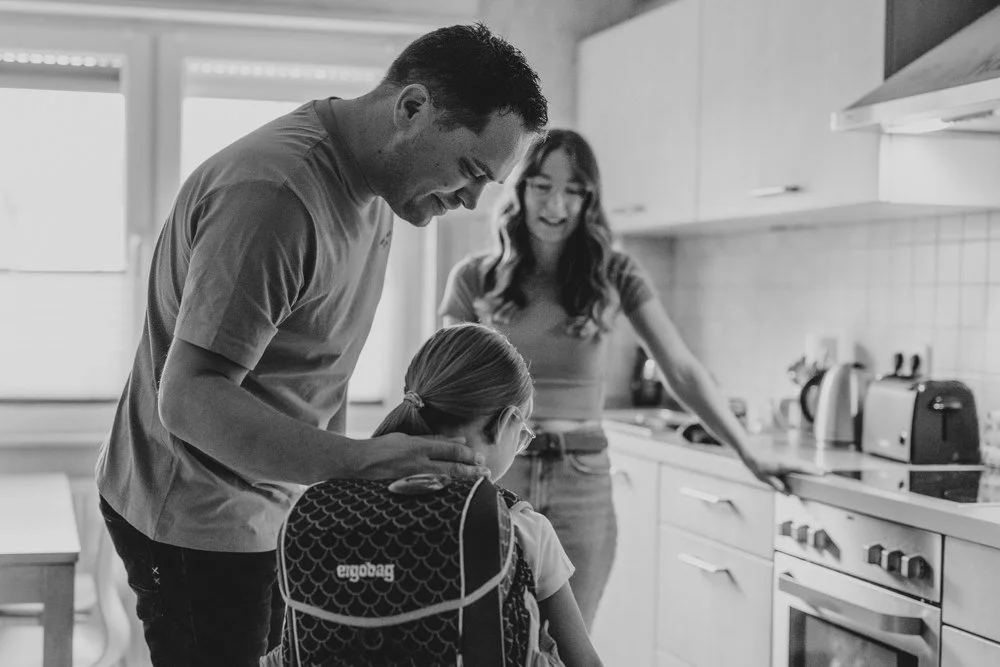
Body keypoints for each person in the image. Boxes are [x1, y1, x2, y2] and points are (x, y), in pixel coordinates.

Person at [95, 23, 547, 666]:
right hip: (196, 518)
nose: (473, 199)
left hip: (269, 503)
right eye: (471, 170)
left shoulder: (379, 188)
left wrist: (338, 499)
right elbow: (189, 401)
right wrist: (361, 463)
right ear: (412, 108)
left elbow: (315, 367)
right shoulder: (275, 198)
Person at [439, 129, 810, 629]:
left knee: (568, 645)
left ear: (590, 200)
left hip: (583, 481)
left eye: (574, 190)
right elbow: (443, 385)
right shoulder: (474, 277)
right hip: (498, 471)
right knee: (486, 636)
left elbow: (680, 368)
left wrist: (747, 450)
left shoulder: (614, 274)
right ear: (520, 188)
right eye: (542, 186)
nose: (557, 204)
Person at [262, 323, 603, 667]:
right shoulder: (521, 529)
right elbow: (584, 661)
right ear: (504, 424)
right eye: (523, 432)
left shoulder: (326, 515)